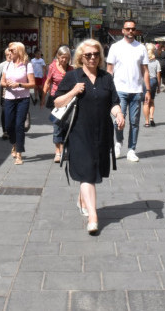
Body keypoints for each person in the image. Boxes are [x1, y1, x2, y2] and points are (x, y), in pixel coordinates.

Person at [53, 39, 125, 235]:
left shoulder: (106, 78)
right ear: (80, 57)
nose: (92, 57)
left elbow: (114, 102)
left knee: (93, 169)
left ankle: (82, 199)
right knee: (87, 173)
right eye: (88, 55)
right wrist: (74, 91)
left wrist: (119, 114)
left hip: (102, 131)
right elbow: (57, 103)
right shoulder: (72, 76)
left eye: (96, 54)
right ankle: (93, 216)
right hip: (79, 132)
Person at [106, 19, 150, 162]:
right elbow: (109, 70)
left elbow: (145, 71)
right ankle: (118, 143)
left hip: (136, 91)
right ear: (123, 31)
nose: (131, 31)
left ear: (135, 31)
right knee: (118, 120)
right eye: (128, 29)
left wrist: (148, 90)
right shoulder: (115, 47)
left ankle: (132, 149)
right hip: (119, 90)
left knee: (135, 122)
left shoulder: (141, 47)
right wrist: (108, 89)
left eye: (133, 29)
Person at [2, 42, 34, 165]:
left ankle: (19, 154)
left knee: (19, 125)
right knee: (9, 126)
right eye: (9, 50)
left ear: (19, 51)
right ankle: (14, 143)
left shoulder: (27, 65)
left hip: (23, 99)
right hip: (9, 98)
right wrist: (8, 84)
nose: (9, 53)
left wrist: (19, 85)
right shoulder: (7, 65)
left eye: (12, 50)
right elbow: (2, 82)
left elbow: (32, 84)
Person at [43, 45, 73, 163]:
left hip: (69, 100)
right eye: (62, 58)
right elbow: (48, 82)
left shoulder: (71, 69)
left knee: (67, 125)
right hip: (55, 99)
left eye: (67, 58)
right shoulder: (52, 67)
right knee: (57, 125)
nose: (64, 60)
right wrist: (42, 98)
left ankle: (65, 149)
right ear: (58, 56)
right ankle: (58, 152)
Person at [143, 43, 162, 127]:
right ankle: (151, 118)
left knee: (146, 102)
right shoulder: (156, 61)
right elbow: (158, 75)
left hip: (144, 82)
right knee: (152, 101)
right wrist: (159, 86)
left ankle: (146, 122)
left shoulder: (143, 61)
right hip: (153, 81)